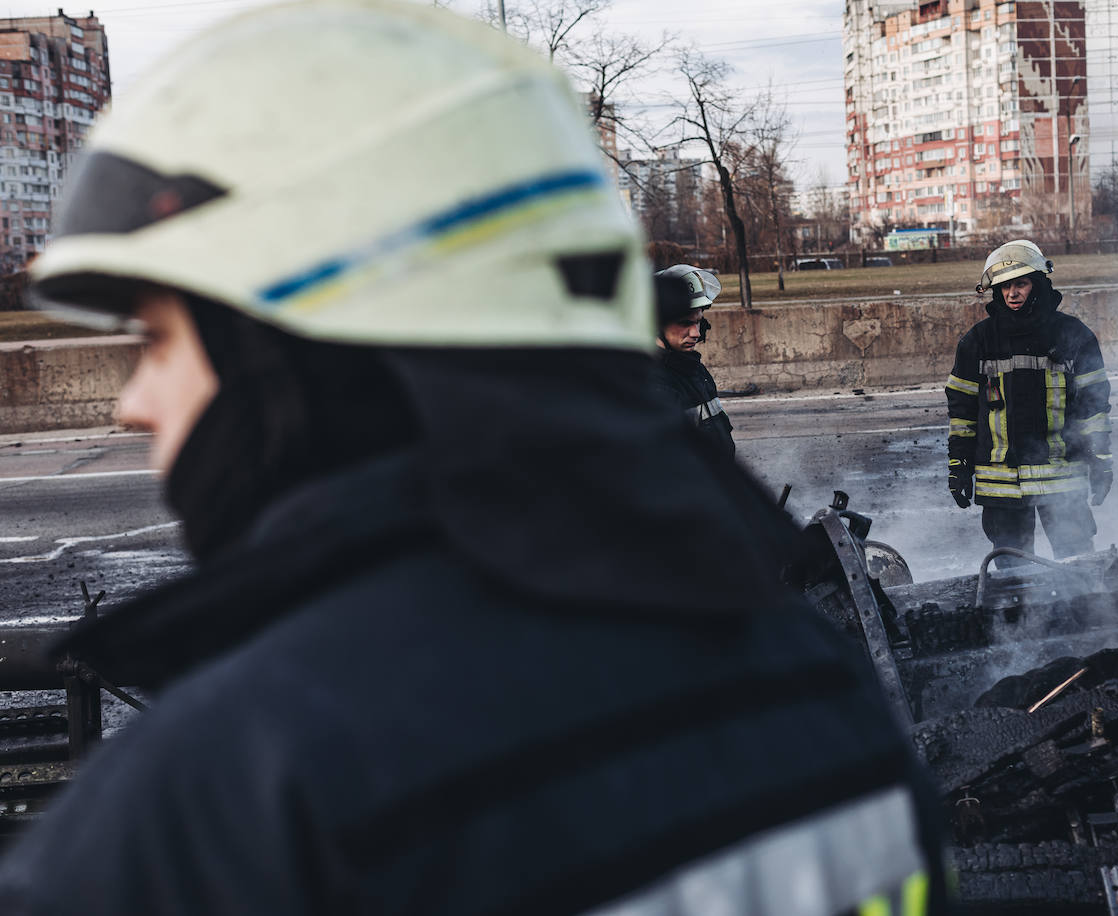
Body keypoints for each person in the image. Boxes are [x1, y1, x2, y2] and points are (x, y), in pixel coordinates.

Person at [0, 3, 948, 914]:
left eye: (160, 341)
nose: (132, 404)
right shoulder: (809, 683)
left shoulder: (223, 809)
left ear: (301, 349)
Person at [945, 239, 1112, 564]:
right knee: (1013, 582)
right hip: (1002, 489)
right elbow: (961, 414)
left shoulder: (1074, 336)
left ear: (1037, 283)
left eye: (1020, 283)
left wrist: (1102, 460)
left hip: (1062, 482)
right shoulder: (978, 342)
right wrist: (959, 466)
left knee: (1079, 570)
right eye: (1005, 286)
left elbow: (1094, 408)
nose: (1012, 294)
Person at [651, 263, 735, 457]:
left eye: (698, 322)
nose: (696, 333)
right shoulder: (652, 384)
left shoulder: (696, 371)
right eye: (685, 323)